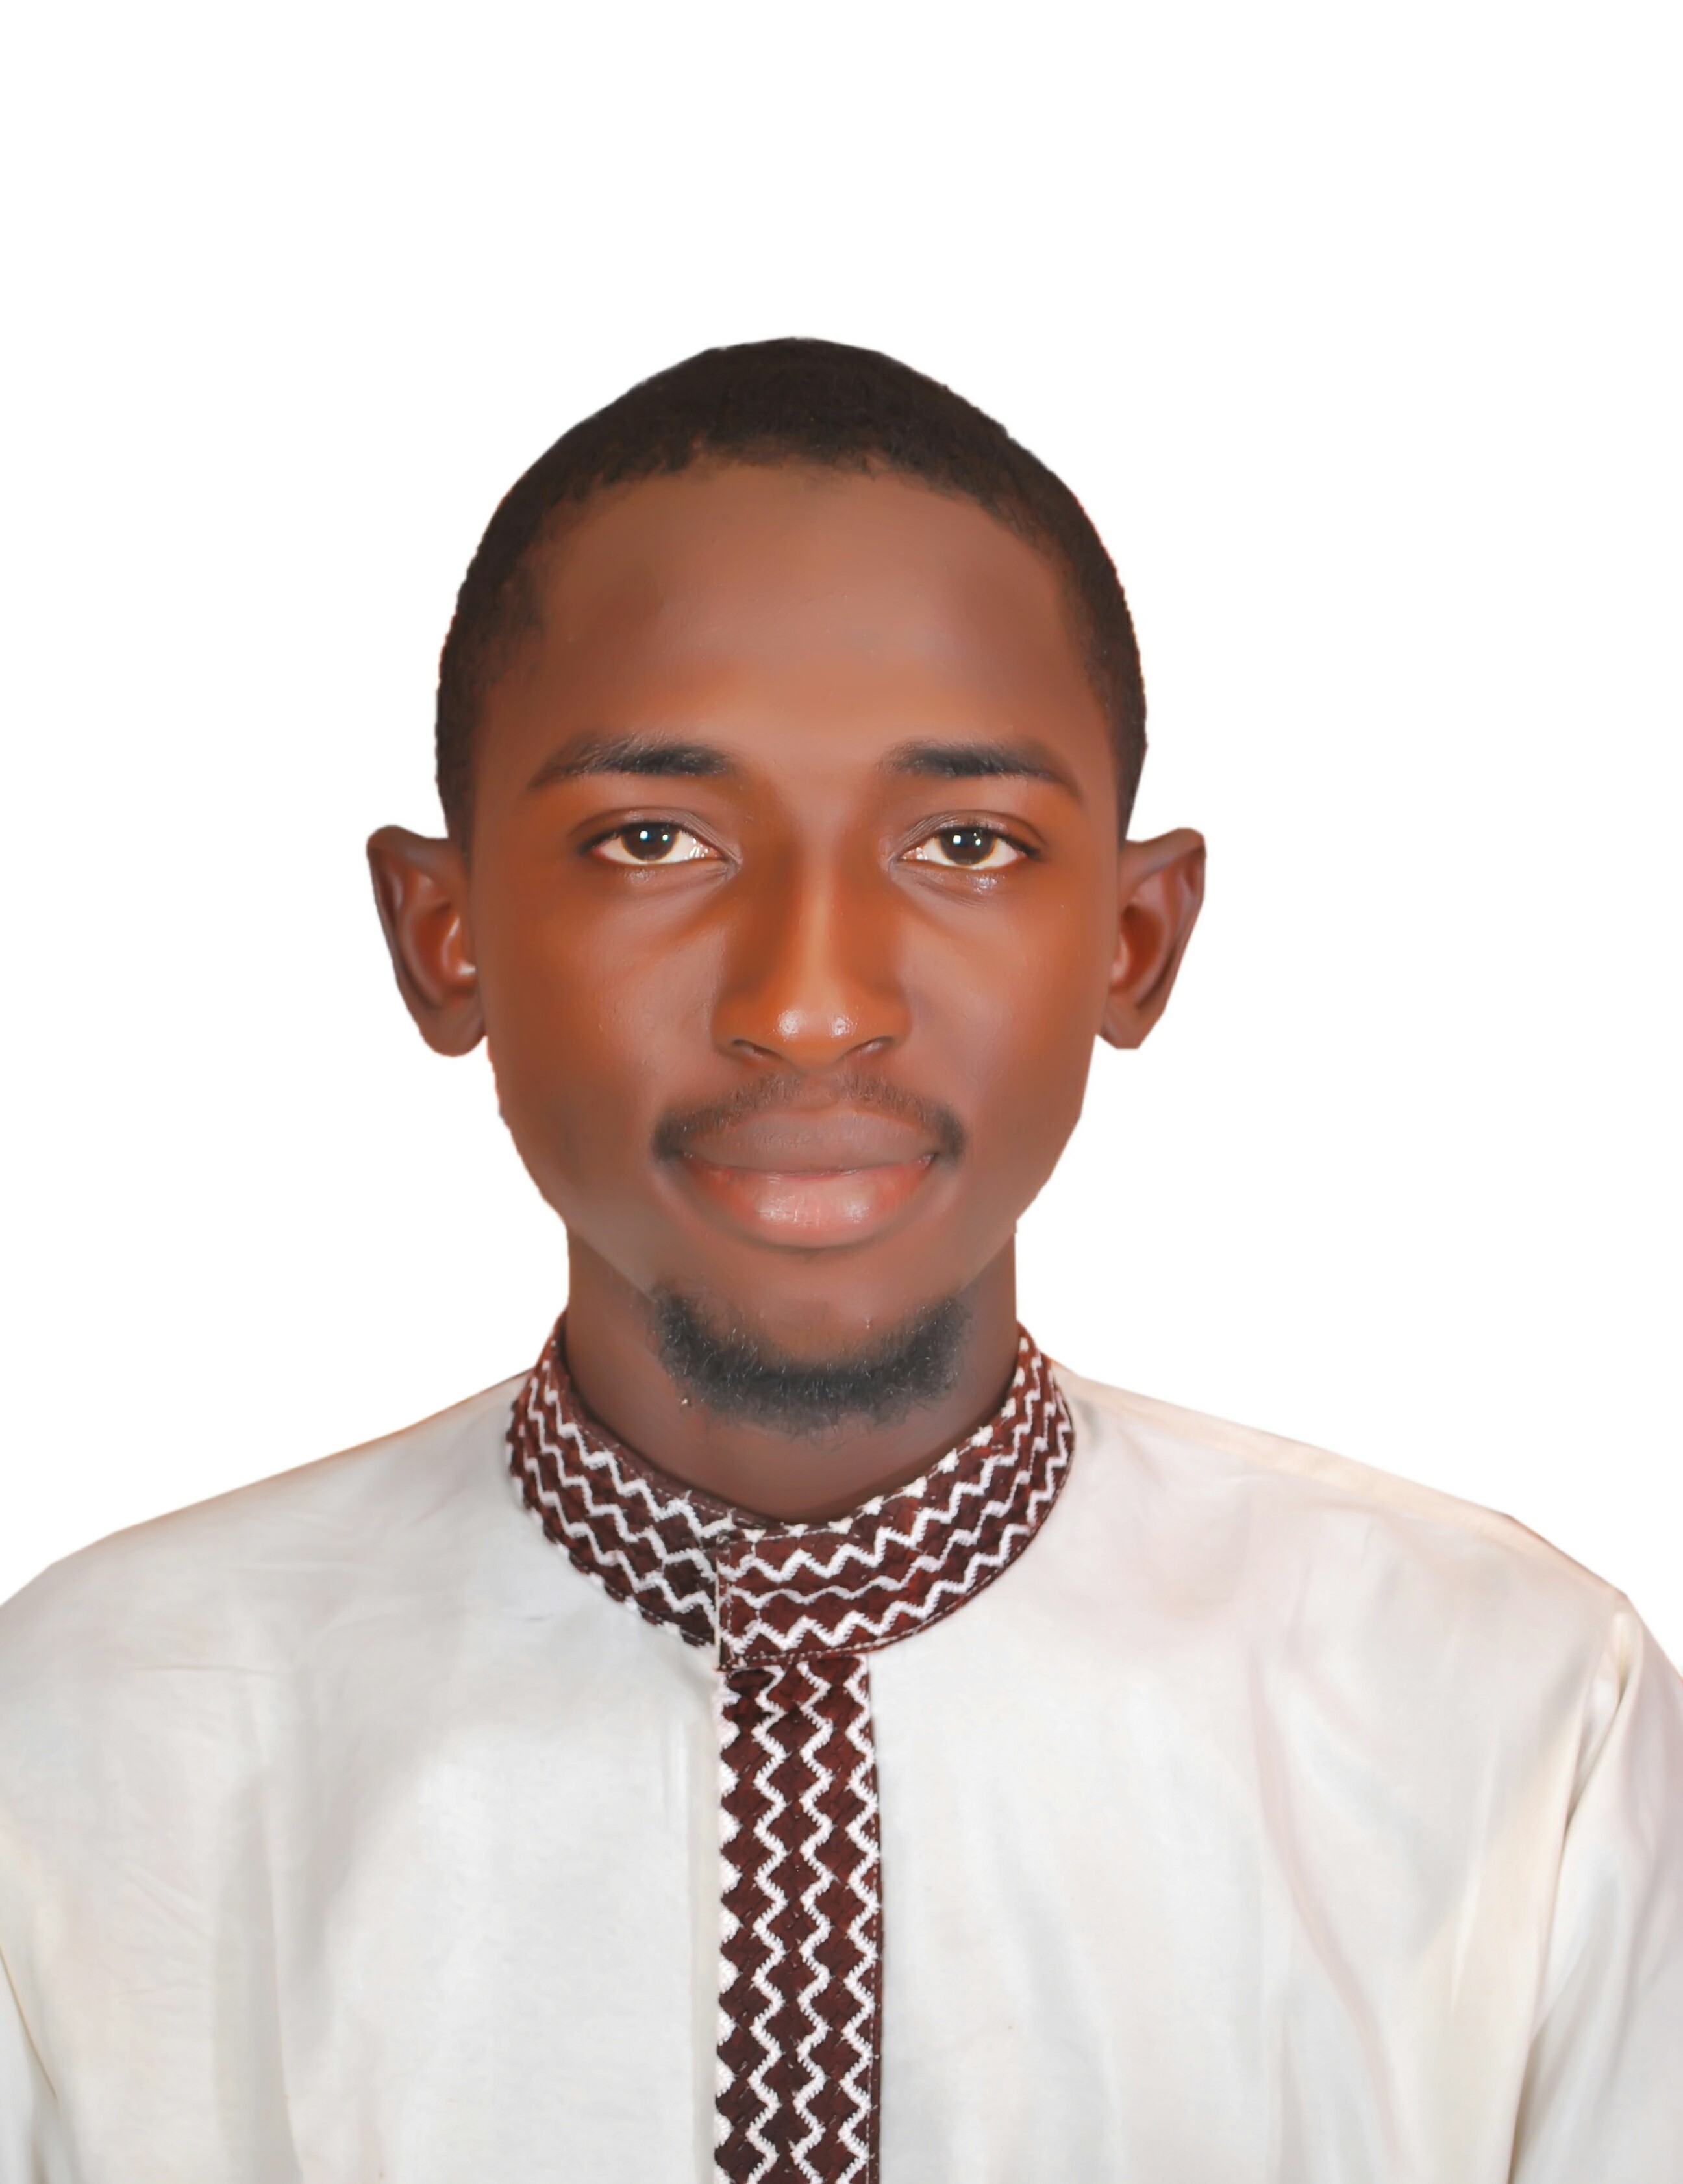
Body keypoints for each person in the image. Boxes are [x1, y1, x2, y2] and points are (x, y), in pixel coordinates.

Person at [1, 340, 1678, 2184]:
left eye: (965, 843)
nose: (809, 1006)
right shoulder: (91, 1735)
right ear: (444, 933)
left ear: (1133, 942)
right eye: (653, 839)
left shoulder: (1511, 1718)